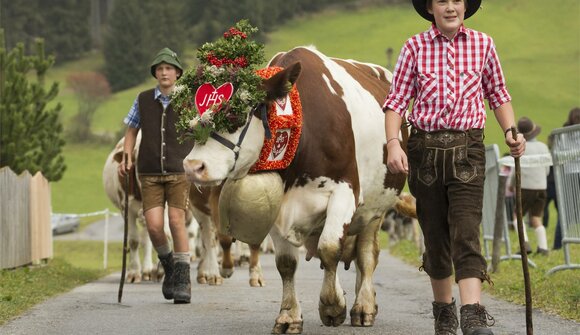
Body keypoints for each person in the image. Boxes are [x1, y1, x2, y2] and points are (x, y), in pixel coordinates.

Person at [383, 1, 525, 334]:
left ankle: (472, 314)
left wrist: (509, 131)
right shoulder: (414, 47)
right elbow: (396, 102)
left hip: (467, 150)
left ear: (465, 6)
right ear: (430, 8)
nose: (451, 7)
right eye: (442, 0)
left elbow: (498, 93)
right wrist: (393, 143)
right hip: (425, 152)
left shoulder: (483, 43)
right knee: (435, 235)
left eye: (457, 0)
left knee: (466, 229)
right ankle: (444, 312)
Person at [118, 47, 194, 304]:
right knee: (152, 225)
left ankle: (183, 279)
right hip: (148, 172)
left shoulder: (188, 100)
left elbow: (202, 128)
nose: (164, 72)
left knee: (175, 221)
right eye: (160, 69)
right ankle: (170, 266)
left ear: (177, 73)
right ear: (155, 73)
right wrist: (127, 155)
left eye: (169, 69)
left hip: (178, 171)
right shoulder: (142, 99)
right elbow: (131, 130)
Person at [514, 117, 550, 256]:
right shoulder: (543, 146)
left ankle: (525, 245)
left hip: (526, 187)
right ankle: (543, 247)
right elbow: (547, 169)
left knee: (518, 216)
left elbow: (515, 170)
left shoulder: (521, 148)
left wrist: (512, 185)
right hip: (542, 186)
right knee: (536, 217)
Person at [548, 107, 580, 249]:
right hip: (572, 172)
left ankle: (557, 244)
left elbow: (556, 154)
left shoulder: (562, 134)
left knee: (565, 212)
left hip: (568, 173)